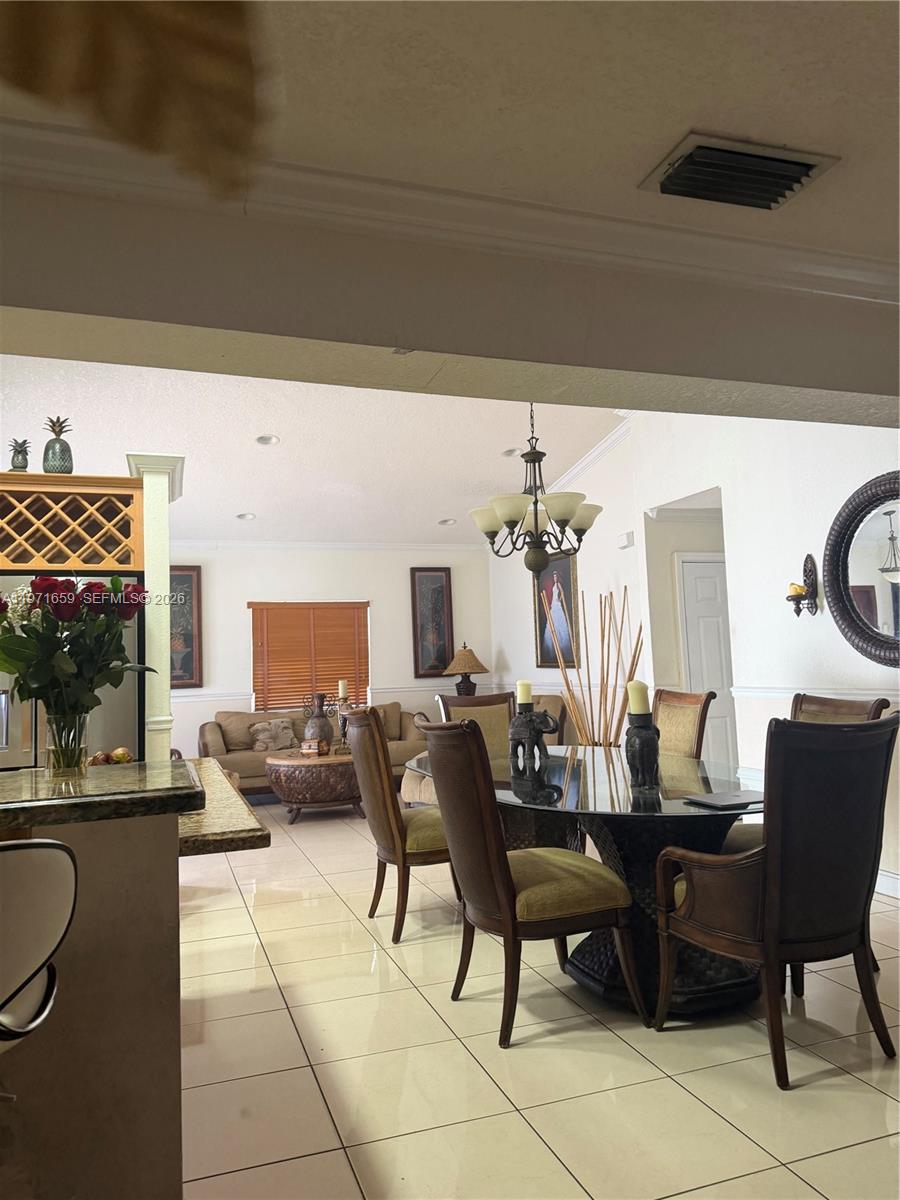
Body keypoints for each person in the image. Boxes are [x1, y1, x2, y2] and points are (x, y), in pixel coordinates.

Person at [542, 570, 572, 660]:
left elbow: (562, 592)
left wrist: (560, 599)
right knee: (552, 623)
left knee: (559, 622)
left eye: (556, 577)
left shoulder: (558, 584)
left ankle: (561, 646)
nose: (555, 578)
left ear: (557, 577)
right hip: (553, 604)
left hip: (557, 604)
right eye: (554, 577)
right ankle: (552, 648)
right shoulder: (554, 585)